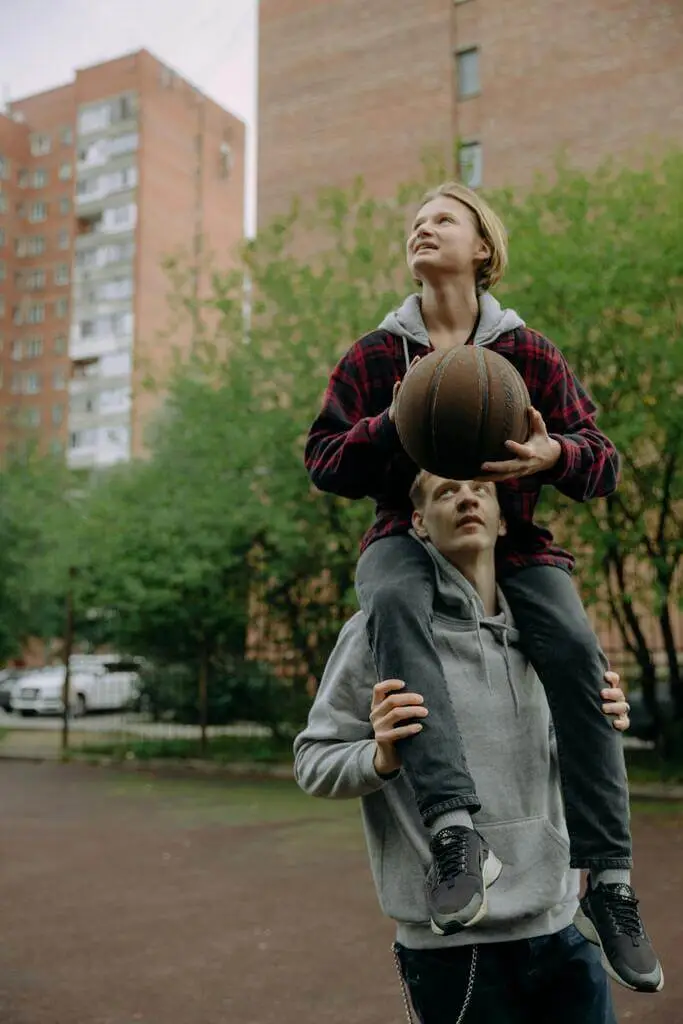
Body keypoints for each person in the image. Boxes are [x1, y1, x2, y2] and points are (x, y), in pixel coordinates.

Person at [304, 180, 662, 992]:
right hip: (406, 530)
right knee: (391, 599)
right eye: (414, 222)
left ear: (483, 250)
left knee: (574, 648)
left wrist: (553, 457)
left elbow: (600, 461)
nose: (421, 229)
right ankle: (455, 833)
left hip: (519, 542)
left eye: (442, 220)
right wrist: (387, 425)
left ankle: (606, 878)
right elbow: (323, 460)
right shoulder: (373, 354)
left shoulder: (527, 355)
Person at [294, 474, 642, 1022]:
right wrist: (380, 756)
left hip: (561, 926)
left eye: (481, 489)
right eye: (443, 491)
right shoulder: (375, 633)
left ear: (505, 520)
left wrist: (595, 726)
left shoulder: (553, 638)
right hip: (453, 950)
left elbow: (549, 758)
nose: (465, 497)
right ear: (416, 524)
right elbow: (312, 762)